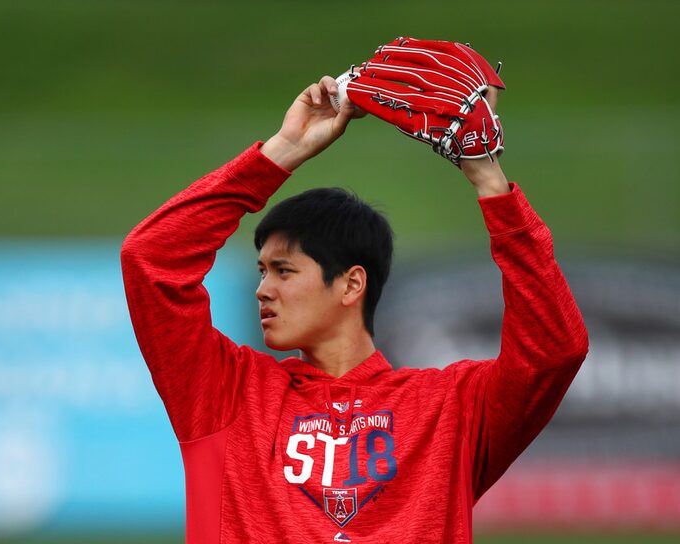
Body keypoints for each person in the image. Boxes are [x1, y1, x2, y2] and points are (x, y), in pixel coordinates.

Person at [121, 73, 589, 543]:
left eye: (283, 271)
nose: (262, 290)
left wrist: (490, 182)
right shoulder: (225, 395)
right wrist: (282, 151)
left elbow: (554, 350)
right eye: (262, 272)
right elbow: (151, 260)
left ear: (351, 285)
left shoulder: (451, 409)